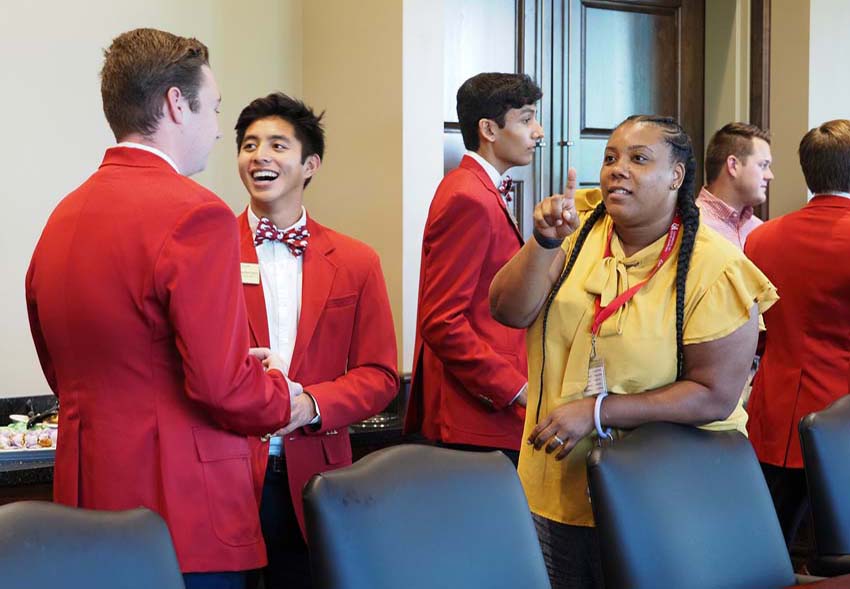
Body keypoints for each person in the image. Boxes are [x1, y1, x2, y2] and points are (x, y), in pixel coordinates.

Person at [25, 29, 293, 589]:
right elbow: (220, 387)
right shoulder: (197, 214)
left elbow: (70, 366)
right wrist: (276, 393)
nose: (221, 129)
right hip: (182, 516)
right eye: (215, 108)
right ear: (177, 103)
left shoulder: (62, 218)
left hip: (84, 506)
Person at [489, 115, 777, 589]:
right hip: (557, 482)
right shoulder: (576, 230)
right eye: (609, 158)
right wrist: (542, 243)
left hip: (665, 493)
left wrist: (599, 410)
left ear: (677, 177)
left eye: (639, 159)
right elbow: (507, 310)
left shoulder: (715, 265)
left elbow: (715, 394)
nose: (617, 169)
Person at [234, 92, 399, 589]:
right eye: (249, 144)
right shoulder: (204, 250)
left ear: (310, 165)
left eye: (277, 145)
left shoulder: (356, 260)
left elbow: (381, 375)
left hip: (318, 475)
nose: (260, 155)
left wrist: (310, 403)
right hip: (226, 472)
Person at [404, 73, 543, 466]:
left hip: (485, 413)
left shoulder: (476, 189)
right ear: (489, 129)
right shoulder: (469, 196)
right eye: (526, 119)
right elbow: (442, 321)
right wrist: (515, 389)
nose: (538, 131)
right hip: (474, 416)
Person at [745, 119, 850, 550]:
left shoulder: (762, 239)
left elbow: (756, 333)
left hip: (777, 414)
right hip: (841, 416)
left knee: (772, 548)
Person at [697, 122, 773, 248]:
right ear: (733, 165)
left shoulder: (759, 230)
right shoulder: (688, 228)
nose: (770, 175)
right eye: (763, 165)